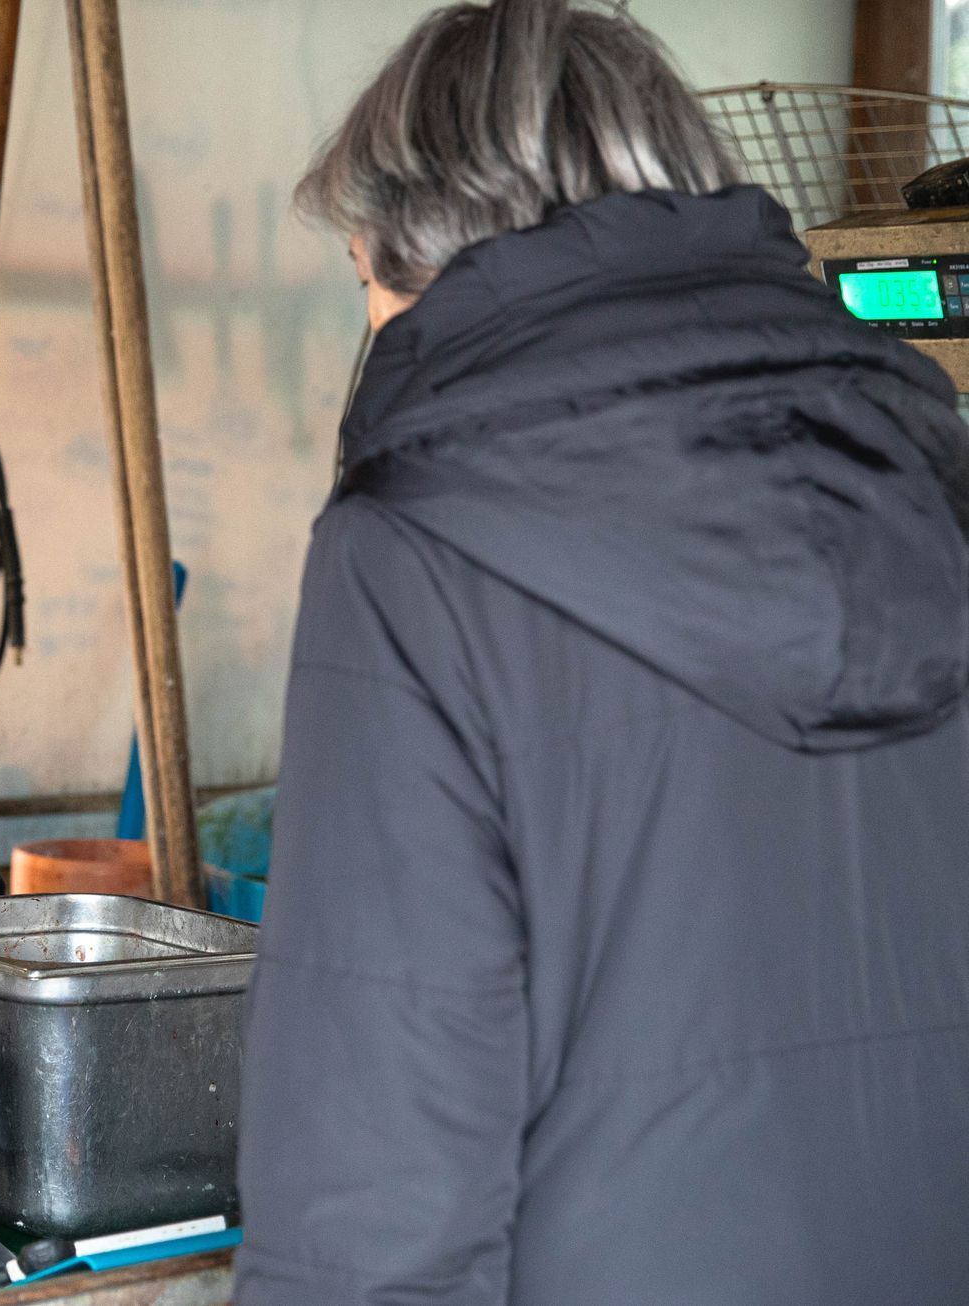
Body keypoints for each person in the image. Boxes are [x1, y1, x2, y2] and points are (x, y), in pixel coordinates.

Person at [239, 1, 969, 1302]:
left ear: (435, 253)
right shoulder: (934, 474)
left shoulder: (420, 546)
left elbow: (377, 1181)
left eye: (365, 280)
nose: (370, 328)